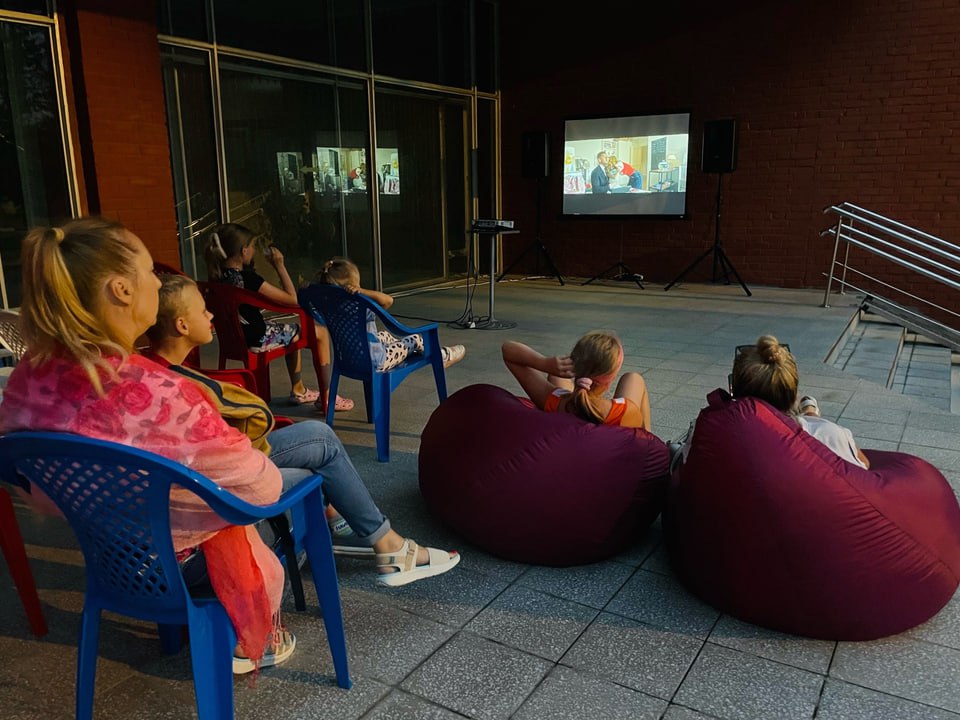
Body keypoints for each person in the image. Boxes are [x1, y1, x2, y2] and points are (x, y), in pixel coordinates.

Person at [0, 217, 293, 673]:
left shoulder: (27, 379)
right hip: (185, 565)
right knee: (298, 478)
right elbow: (262, 492)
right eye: (150, 272)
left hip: (110, 558)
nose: (158, 282)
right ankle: (263, 628)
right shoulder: (163, 393)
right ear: (121, 289)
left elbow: (32, 486)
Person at [143, 273, 462, 583]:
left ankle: (347, 527)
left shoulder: (150, 374)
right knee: (316, 461)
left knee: (317, 436)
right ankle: (382, 544)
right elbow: (225, 458)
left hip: (189, 488)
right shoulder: (180, 387)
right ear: (181, 325)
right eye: (202, 310)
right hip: (204, 499)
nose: (211, 313)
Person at [204, 223, 354, 412]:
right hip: (256, 338)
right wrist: (279, 265)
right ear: (244, 251)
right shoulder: (248, 279)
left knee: (290, 329)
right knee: (320, 332)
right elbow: (292, 300)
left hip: (235, 338)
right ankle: (327, 396)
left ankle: (298, 390)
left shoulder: (216, 277)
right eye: (252, 246)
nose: (254, 251)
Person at [730, 335, 870, 469]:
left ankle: (809, 413)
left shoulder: (724, 438)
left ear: (734, 390)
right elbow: (863, 465)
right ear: (793, 394)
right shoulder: (831, 434)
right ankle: (810, 413)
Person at [315, 257, 466, 371]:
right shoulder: (360, 307)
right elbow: (388, 300)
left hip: (348, 359)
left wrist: (309, 287)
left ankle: (400, 348)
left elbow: (305, 301)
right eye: (358, 285)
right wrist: (362, 293)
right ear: (353, 287)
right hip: (376, 361)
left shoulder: (326, 305)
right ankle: (442, 356)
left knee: (385, 335)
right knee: (415, 339)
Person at [501, 331, 652, 430]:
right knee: (633, 378)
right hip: (607, 458)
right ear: (610, 377)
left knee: (556, 377)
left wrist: (545, 364)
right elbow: (638, 437)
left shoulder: (551, 401)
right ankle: (656, 448)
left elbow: (508, 350)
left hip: (566, 424)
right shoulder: (625, 412)